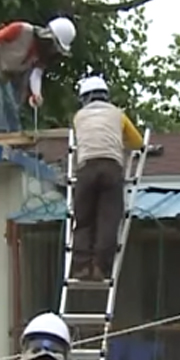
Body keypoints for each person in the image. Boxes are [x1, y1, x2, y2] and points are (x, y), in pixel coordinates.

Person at [68, 75, 145, 282]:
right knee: (108, 220)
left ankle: (81, 267)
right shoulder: (117, 114)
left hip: (86, 168)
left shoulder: (78, 117)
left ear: (85, 98)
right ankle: (100, 268)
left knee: (83, 219)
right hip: (111, 168)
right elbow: (137, 142)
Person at [0, 17, 77, 133]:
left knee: (11, 107)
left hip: (4, 74)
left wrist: (36, 94)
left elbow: (36, 74)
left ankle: (14, 136)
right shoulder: (21, 30)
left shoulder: (40, 55)